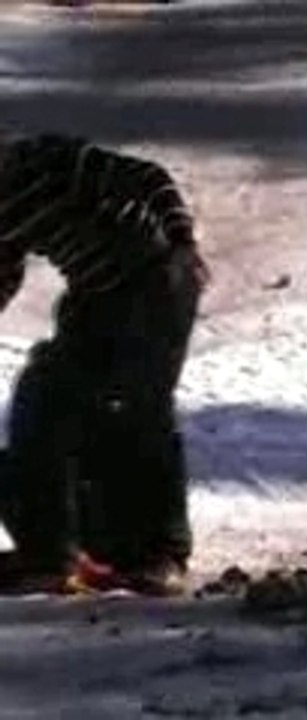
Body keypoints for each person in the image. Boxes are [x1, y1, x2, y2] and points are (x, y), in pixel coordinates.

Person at [0, 133, 210, 595]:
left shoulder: (44, 161)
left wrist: (181, 241)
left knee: (140, 406)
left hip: (158, 281)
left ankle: (163, 554)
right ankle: (50, 552)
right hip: (94, 295)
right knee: (43, 398)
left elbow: (149, 177)